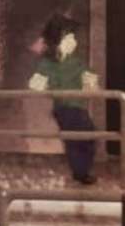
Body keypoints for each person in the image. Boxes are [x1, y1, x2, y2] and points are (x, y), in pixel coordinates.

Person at [29, 13, 101, 184]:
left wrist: (91, 84)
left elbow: (90, 82)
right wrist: (47, 87)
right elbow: (35, 84)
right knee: (78, 139)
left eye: (73, 38)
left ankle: (81, 172)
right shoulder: (48, 64)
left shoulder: (77, 62)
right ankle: (81, 173)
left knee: (85, 137)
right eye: (69, 38)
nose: (74, 42)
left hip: (78, 107)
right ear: (57, 42)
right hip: (65, 107)